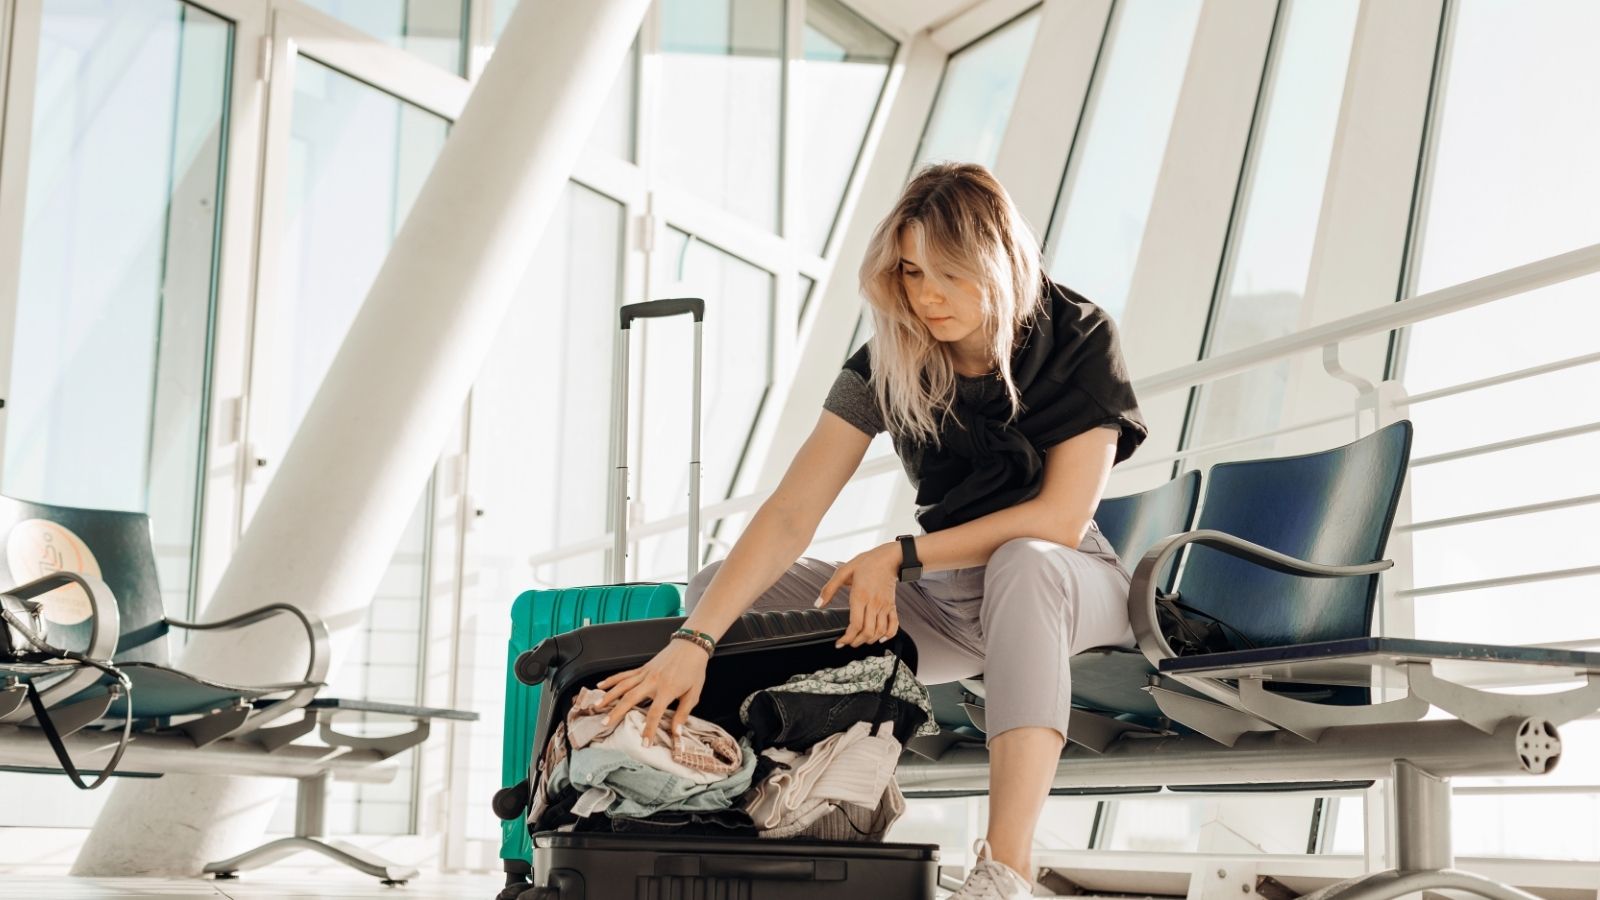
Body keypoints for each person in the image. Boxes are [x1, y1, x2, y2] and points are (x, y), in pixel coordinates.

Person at [596, 162, 1147, 899]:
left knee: (1025, 561)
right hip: (948, 605)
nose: (927, 296)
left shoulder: (1081, 336)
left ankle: (1006, 869)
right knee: (717, 594)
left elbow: (1060, 518)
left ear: (996, 260)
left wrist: (900, 554)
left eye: (949, 273)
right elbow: (792, 511)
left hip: (1072, 585)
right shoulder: (889, 358)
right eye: (913, 272)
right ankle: (733, 807)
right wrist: (692, 642)